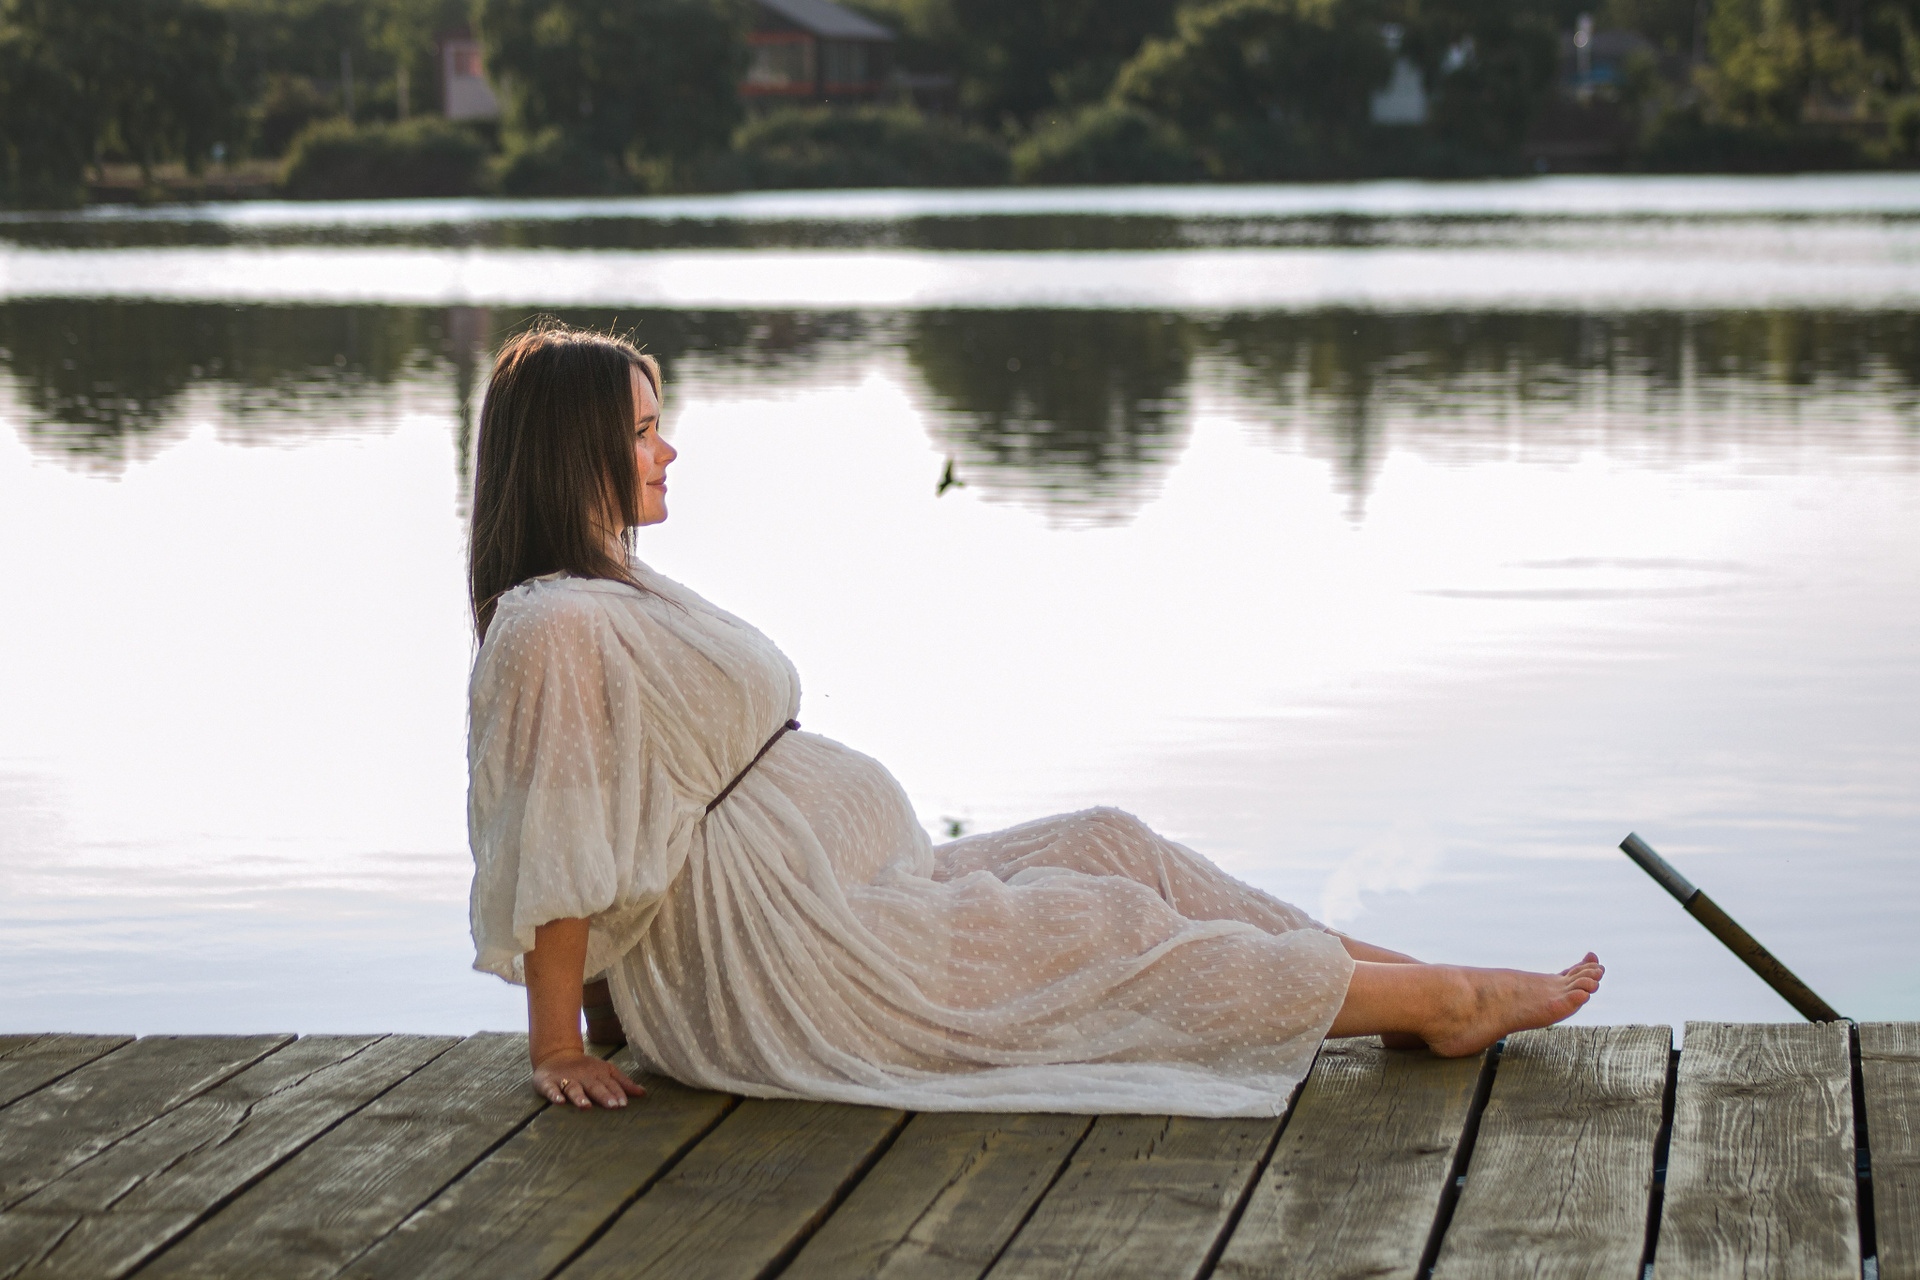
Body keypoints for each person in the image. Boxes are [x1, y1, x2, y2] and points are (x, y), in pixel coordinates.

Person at [466, 323, 1604, 1116]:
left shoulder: (616, 593)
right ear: (574, 449)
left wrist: (624, 1008)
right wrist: (563, 1040)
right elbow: (561, 842)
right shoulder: (552, 624)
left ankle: (1414, 990)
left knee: (1110, 842)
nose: (667, 450)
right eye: (643, 431)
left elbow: (634, 820)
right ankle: (1449, 1002)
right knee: (1101, 927)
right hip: (808, 957)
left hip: (860, 894)